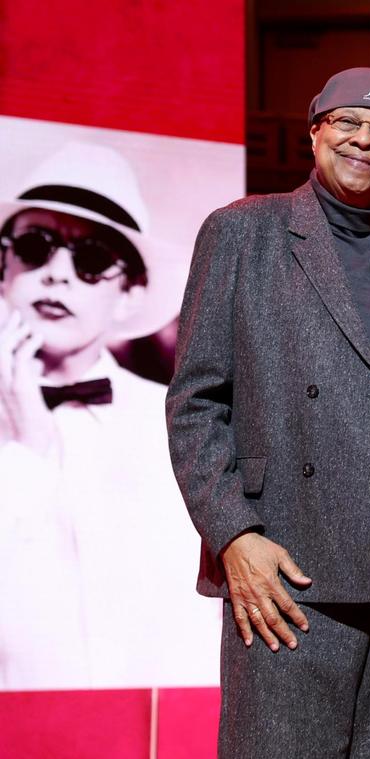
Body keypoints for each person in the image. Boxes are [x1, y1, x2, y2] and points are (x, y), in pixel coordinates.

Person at [166, 68, 370, 757]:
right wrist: (234, 533)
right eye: (348, 122)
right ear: (315, 131)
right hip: (290, 577)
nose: (364, 140)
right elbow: (194, 401)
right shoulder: (243, 234)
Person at [0, 142, 219, 689]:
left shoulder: (174, 425)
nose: (58, 275)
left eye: (92, 258)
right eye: (34, 247)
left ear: (130, 294)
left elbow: (191, 616)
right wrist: (26, 452)